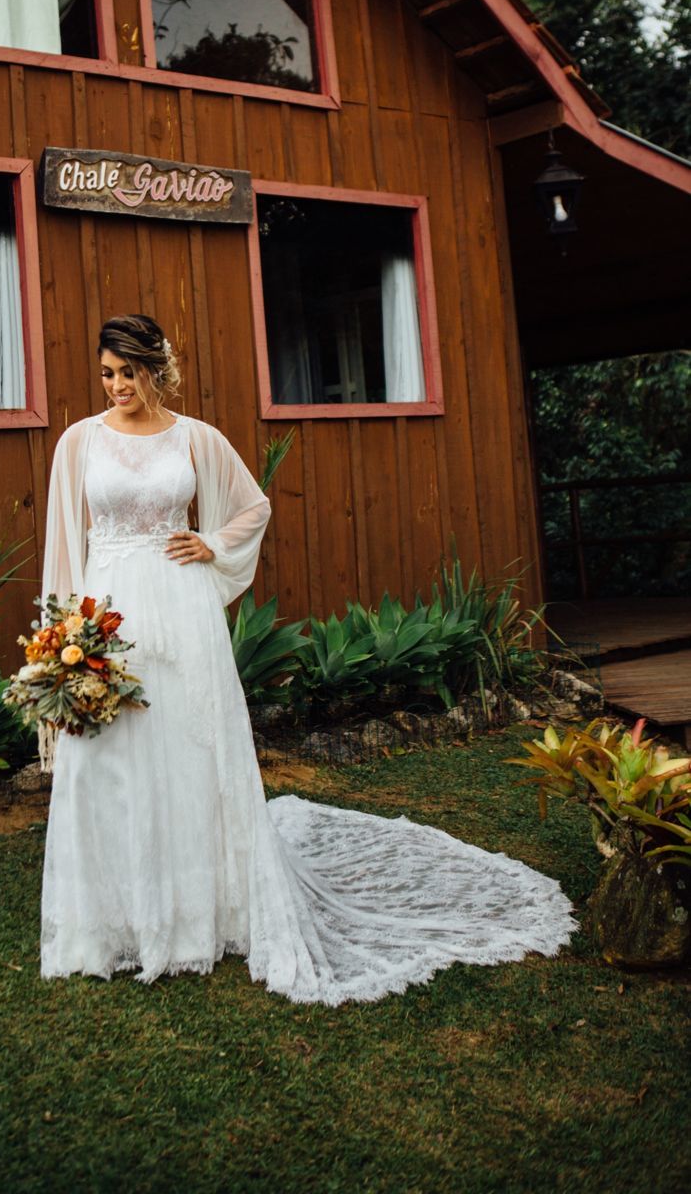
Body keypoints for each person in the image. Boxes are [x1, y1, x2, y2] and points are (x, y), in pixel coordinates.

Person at [38, 313, 577, 1006]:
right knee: (111, 755)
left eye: (129, 373)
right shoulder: (80, 441)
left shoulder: (195, 438)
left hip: (181, 609)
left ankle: (201, 911)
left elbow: (251, 507)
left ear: (155, 370)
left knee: (187, 749)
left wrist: (210, 544)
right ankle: (112, 919)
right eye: (107, 374)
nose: (116, 386)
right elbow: (64, 543)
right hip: (109, 609)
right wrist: (61, 636)